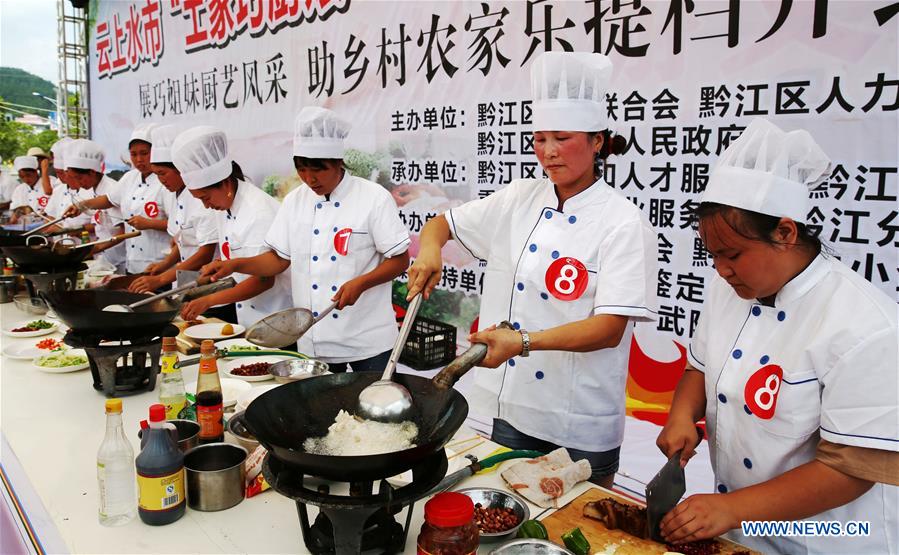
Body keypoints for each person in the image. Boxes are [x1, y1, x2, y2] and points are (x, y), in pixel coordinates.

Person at [407, 52, 658, 487]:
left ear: (598, 140)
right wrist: (429, 251)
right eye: (540, 138)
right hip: (515, 409)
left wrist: (521, 342)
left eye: (562, 137)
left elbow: (609, 328)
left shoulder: (622, 220)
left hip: (579, 422)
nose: (549, 152)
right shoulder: (519, 197)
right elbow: (440, 225)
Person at [655, 119, 898, 554]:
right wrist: (680, 415)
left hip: (831, 537)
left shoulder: (867, 325)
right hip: (743, 526)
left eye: (732, 255)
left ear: (785, 232)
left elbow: (853, 469)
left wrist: (732, 509)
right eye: (712, 255)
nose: (720, 270)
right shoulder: (727, 289)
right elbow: (700, 366)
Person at [201, 107, 411, 372]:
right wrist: (235, 265)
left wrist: (361, 282)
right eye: (301, 169)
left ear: (337, 162)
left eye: (318, 169)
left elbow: (400, 259)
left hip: (366, 338)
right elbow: (278, 261)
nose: (310, 178)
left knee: (370, 407)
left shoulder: (373, 197)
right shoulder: (295, 201)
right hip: (314, 336)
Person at [170, 126, 291, 326]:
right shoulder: (225, 205)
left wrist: (208, 301)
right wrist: (205, 280)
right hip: (250, 317)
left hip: (275, 317)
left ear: (225, 183)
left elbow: (263, 280)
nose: (206, 205)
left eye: (205, 197)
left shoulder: (257, 213)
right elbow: (236, 269)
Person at [63, 124, 171, 274]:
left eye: (144, 153)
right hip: (133, 262)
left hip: (160, 263)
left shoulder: (166, 181)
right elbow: (109, 199)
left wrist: (149, 223)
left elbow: (178, 224)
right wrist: (81, 206)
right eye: (133, 154)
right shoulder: (130, 177)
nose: (139, 160)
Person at [128, 125, 218, 298]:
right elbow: (184, 240)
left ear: (181, 170)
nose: (161, 181)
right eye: (157, 175)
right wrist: (165, 264)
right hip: (186, 281)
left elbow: (205, 254)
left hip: (209, 283)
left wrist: (161, 279)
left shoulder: (202, 197)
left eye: (163, 173)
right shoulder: (174, 194)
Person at [62, 139, 128, 272]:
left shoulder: (111, 189)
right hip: (104, 259)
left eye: (79, 178)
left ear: (92, 172)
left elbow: (123, 231)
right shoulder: (93, 190)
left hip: (119, 260)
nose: (78, 183)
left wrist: (95, 248)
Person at [9, 156, 50, 223]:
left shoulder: (49, 183)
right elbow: (14, 210)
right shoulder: (19, 189)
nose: (26, 179)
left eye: (28, 175)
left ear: (36, 172)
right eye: (22, 176)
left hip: (45, 224)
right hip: (24, 226)